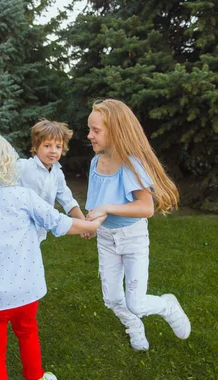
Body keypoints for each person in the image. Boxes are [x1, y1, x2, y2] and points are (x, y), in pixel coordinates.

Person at [0, 129, 103, 380]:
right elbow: (59, 224)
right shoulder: (23, 196)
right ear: (8, 160)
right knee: (28, 333)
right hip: (27, 290)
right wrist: (91, 224)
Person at [84, 99, 191, 351]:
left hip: (132, 239)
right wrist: (92, 221)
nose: (89, 135)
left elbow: (146, 208)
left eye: (95, 130)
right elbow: (96, 202)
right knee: (111, 298)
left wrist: (107, 209)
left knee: (137, 302)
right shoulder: (95, 163)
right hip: (106, 238)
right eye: (89, 129)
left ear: (116, 130)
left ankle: (167, 306)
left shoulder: (131, 165)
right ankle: (134, 325)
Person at [18, 119, 85, 242]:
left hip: (39, 232)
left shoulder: (57, 173)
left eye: (58, 146)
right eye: (47, 146)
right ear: (35, 147)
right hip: (18, 228)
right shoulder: (23, 166)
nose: (53, 151)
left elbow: (68, 200)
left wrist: (84, 225)